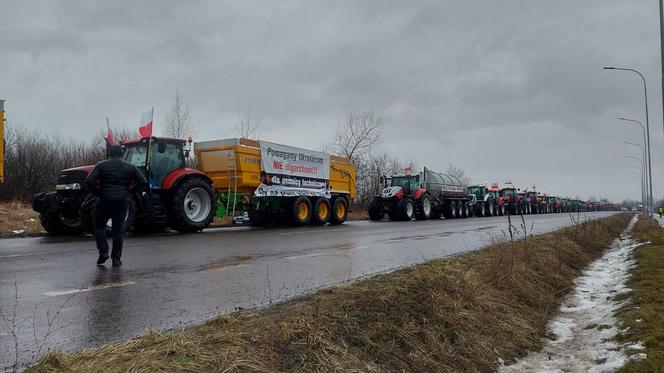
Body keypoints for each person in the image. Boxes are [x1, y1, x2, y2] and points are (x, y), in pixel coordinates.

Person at [85, 145, 147, 267]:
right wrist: (130, 192)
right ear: (121, 154)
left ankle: (103, 252)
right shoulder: (130, 167)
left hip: (105, 200)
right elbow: (143, 182)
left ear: (109, 154)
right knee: (118, 230)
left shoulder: (101, 165)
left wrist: (99, 193)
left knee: (99, 226)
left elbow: (89, 181)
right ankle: (116, 259)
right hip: (122, 201)